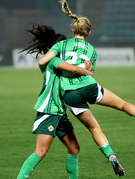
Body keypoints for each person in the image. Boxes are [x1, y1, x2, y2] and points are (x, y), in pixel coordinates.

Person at [38, 0, 135, 177]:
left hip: (70, 95)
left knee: (94, 128)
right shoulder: (92, 50)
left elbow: (43, 61)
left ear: (72, 30)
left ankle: (112, 158)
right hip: (89, 86)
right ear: (89, 32)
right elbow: (90, 72)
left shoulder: (61, 45)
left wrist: (46, 71)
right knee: (123, 104)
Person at [16, 24, 94, 179]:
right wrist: (87, 71)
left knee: (74, 148)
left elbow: (75, 72)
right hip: (49, 110)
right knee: (41, 151)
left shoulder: (59, 62)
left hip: (59, 112)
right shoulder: (54, 61)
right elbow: (72, 69)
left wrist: (88, 66)